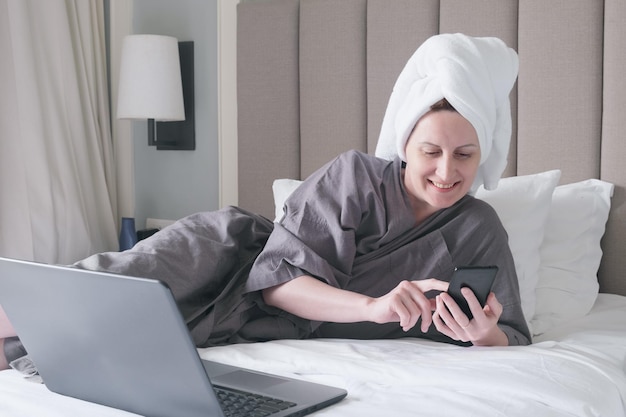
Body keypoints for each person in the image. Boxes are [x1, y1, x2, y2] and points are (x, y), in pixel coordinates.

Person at [0, 33, 530, 370]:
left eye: (465, 154)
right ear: (404, 145)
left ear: (483, 153)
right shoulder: (356, 175)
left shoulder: (478, 227)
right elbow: (278, 286)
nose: (446, 171)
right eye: (430, 151)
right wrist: (375, 306)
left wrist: (485, 335)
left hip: (263, 328)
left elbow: (510, 336)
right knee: (109, 285)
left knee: (113, 341)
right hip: (233, 258)